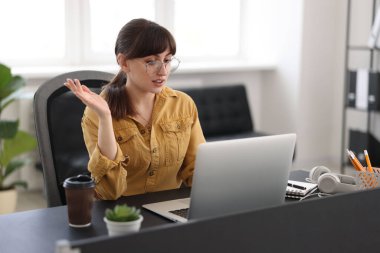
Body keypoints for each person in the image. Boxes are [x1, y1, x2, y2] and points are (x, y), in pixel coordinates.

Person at [64, 18, 205, 200]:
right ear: (124, 62)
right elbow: (109, 192)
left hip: (171, 211)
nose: (163, 71)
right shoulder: (97, 112)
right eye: (151, 62)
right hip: (123, 216)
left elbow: (197, 172)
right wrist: (106, 117)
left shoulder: (183, 105)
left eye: (167, 60)